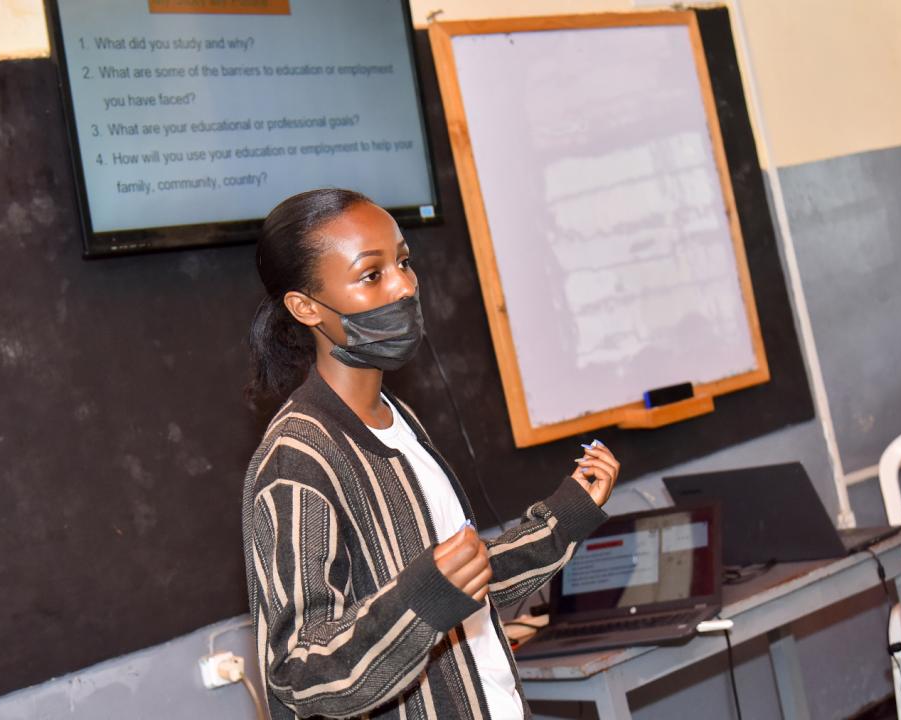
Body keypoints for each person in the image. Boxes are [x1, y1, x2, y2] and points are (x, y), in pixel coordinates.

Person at [241, 188, 620, 720]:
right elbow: (299, 672)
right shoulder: (297, 460)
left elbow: (467, 579)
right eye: (371, 275)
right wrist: (421, 600)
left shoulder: (400, 421)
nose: (404, 286)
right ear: (304, 307)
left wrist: (565, 516)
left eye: (403, 262)